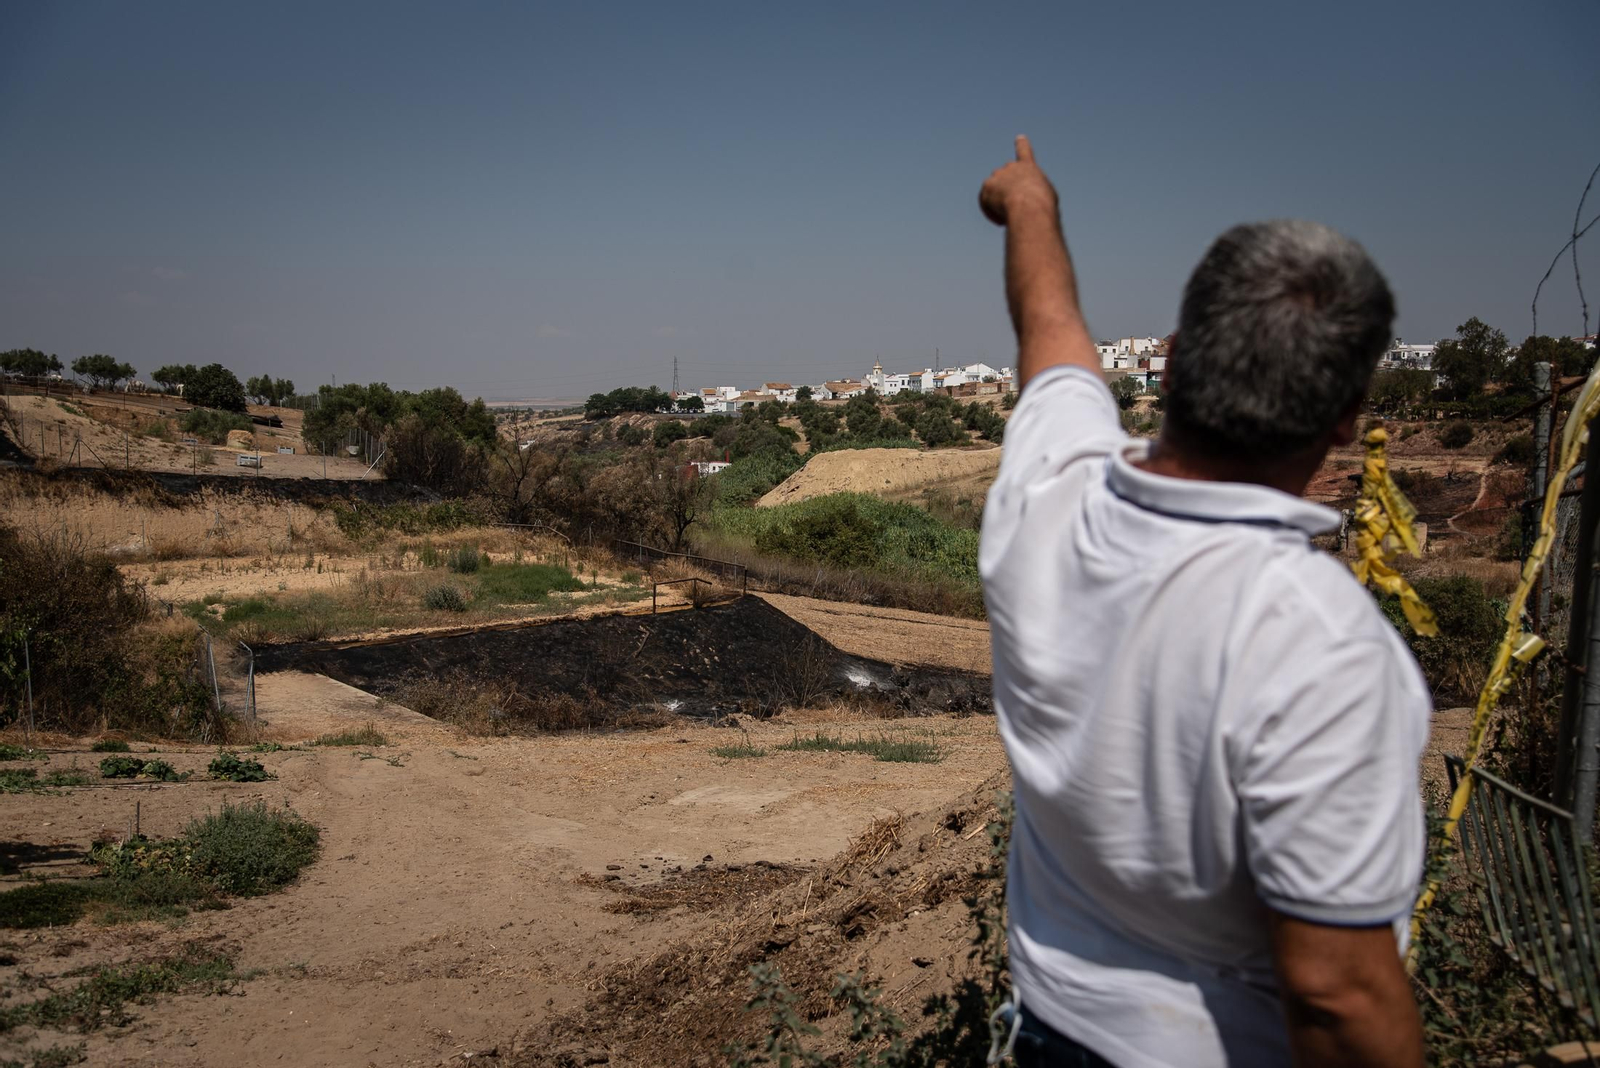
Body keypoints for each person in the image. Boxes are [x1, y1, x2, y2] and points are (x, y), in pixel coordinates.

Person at [976, 136, 1429, 1068]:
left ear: (1172, 360)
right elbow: (1338, 992)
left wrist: (1029, 204)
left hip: (1044, 1029)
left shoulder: (1049, 493)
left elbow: (1049, 328)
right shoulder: (1319, 641)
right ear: (1346, 418)